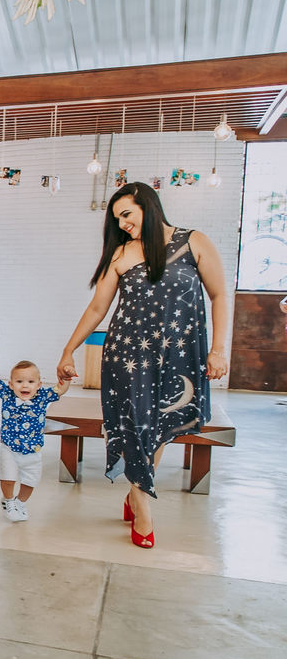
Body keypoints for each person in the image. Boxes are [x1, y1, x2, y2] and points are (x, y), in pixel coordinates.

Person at [57, 182, 229, 548]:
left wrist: (218, 349)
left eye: (126, 214)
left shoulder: (194, 242)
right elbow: (97, 309)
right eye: (117, 218)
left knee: (162, 423)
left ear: (148, 206)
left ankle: (136, 489)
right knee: (137, 425)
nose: (122, 224)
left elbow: (218, 295)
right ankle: (142, 503)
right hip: (128, 356)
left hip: (180, 356)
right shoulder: (121, 254)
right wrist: (68, 350)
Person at [0, 360, 69, 522]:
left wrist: (67, 379)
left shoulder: (42, 397)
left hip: (33, 450)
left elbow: (60, 390)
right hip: (9, 447)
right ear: (11, 384)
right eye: (19, 381)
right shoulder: (7, 395)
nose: (25, 386)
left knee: (31, 481)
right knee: (8, 477)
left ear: (38, 384)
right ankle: (8, 501)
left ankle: (20, 502)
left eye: (30, 382)